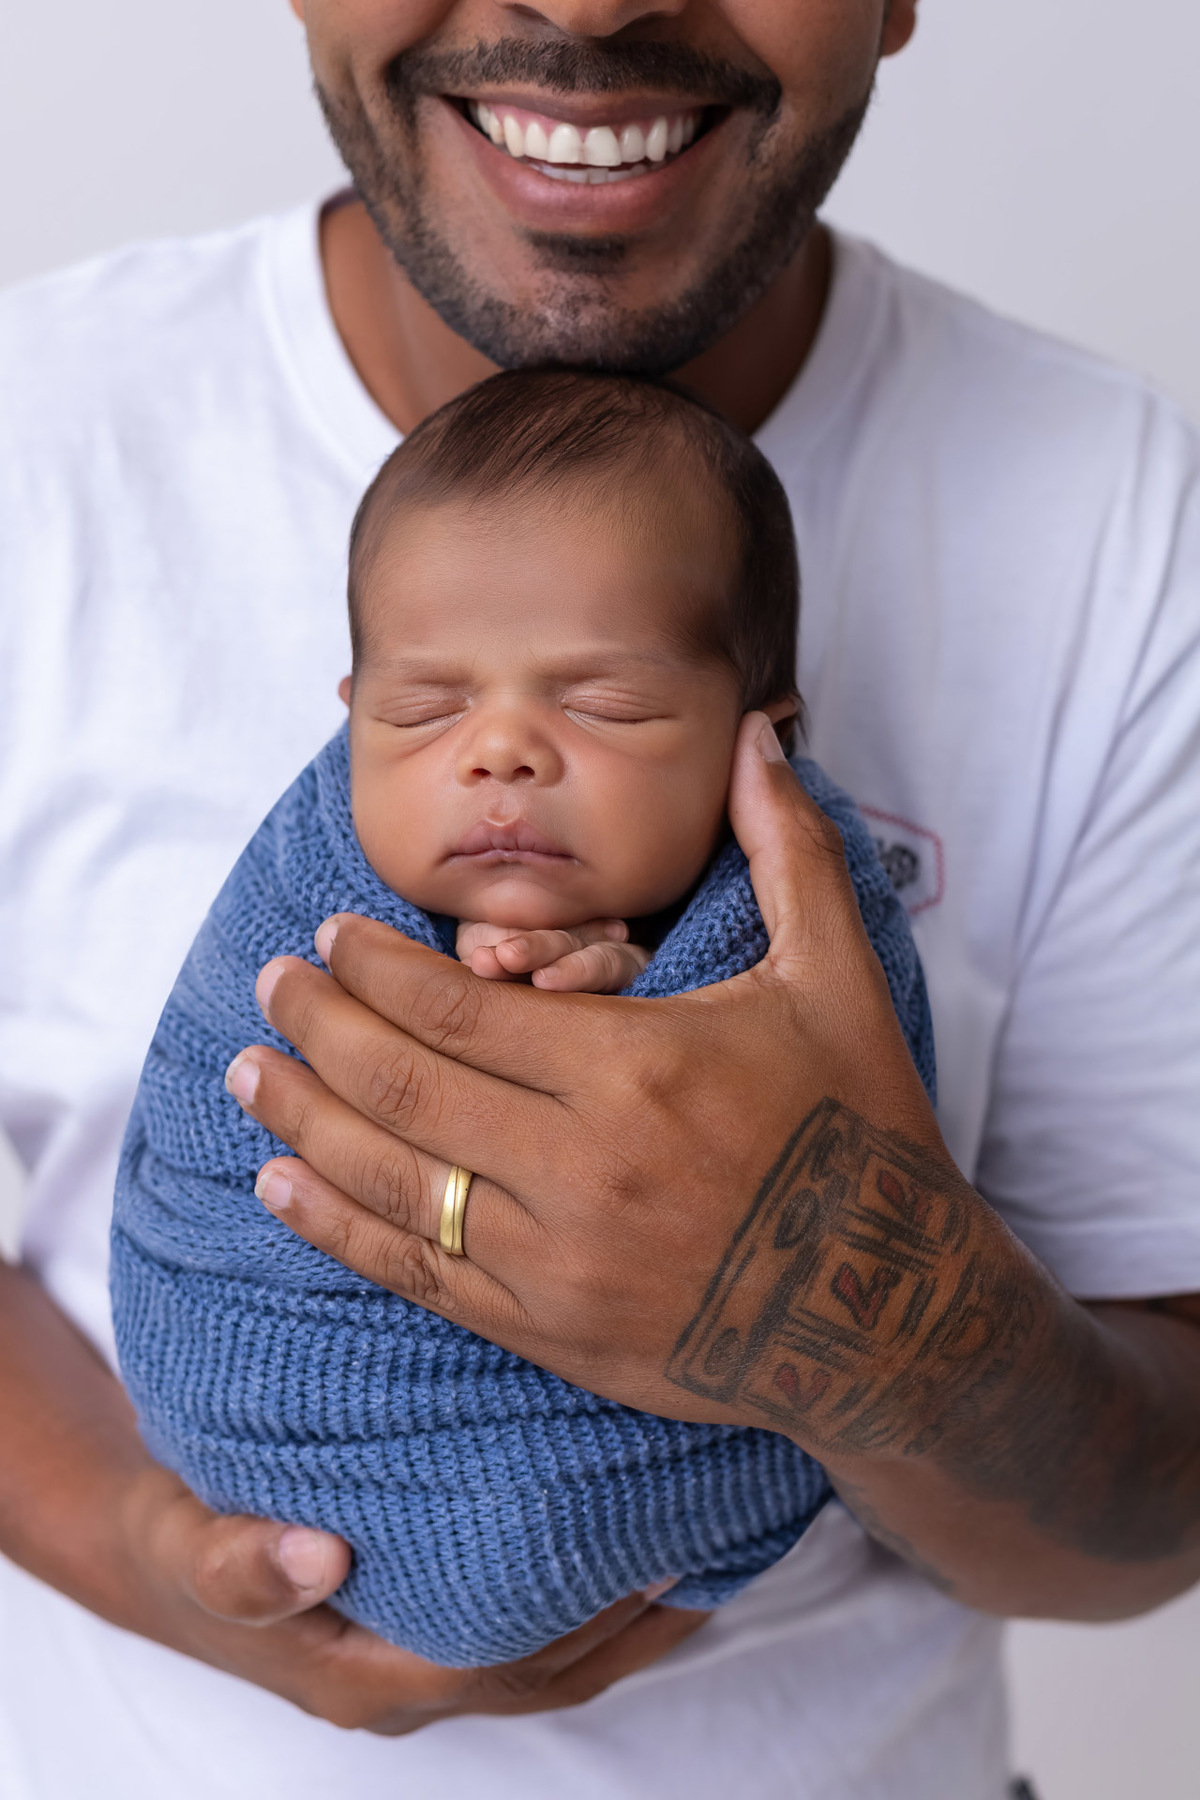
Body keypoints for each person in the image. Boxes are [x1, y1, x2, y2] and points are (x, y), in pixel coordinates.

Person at [0, 0, 1197, 1793]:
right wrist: (152, 1552)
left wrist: (846, 1295)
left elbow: (1152, 1525)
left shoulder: (1125, 527)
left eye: (613, 709)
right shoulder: (39, 442)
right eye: (421, 710)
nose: (577, 2)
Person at [111, 366, 935, 1670]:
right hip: (266, 1446)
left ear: (754, 740)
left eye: (603, 704)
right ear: (350, 718)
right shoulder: (303, 891)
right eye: (423, 708)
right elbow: (211, 1134)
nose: (499, 752)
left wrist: (636, 1026)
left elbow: (821, 1135)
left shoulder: (782, 919)